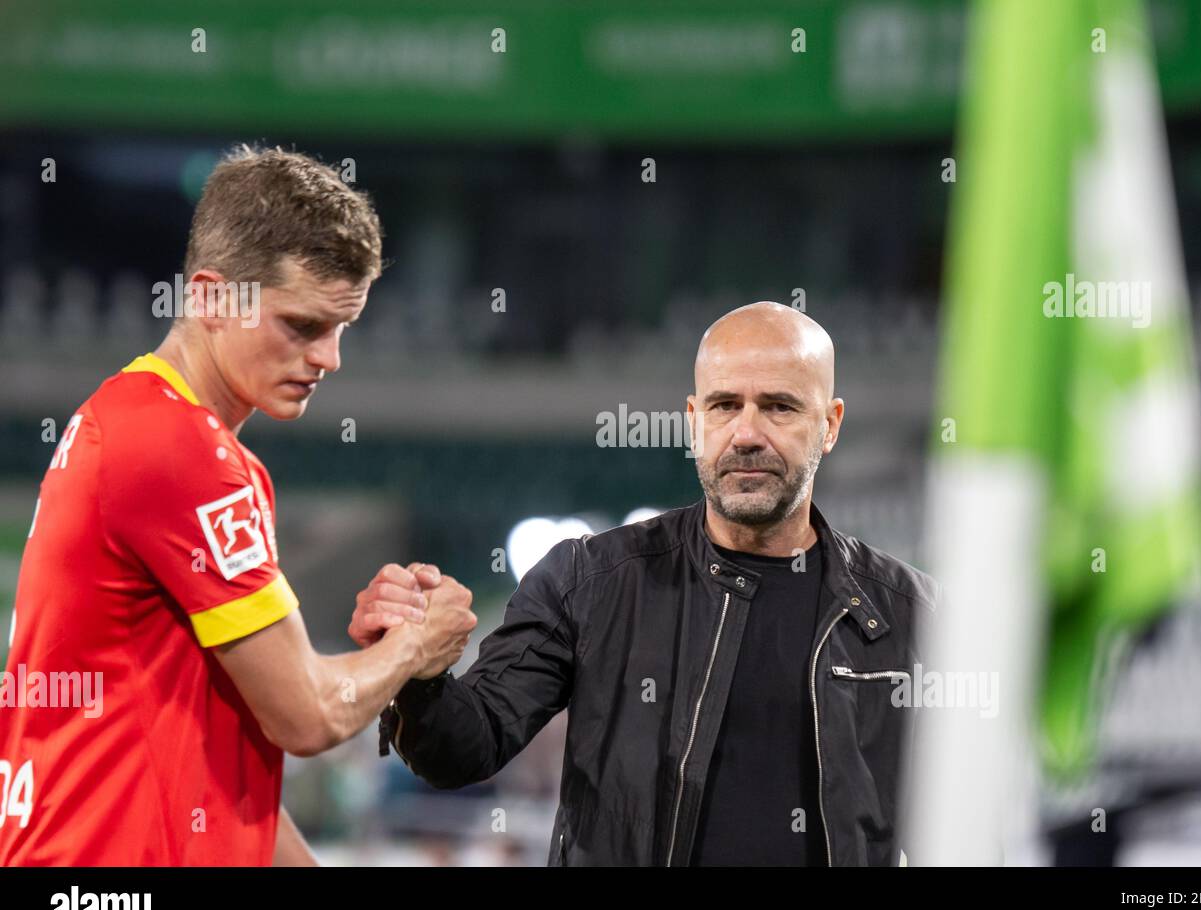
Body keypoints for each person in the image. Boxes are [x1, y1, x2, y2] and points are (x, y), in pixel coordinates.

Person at [0, 146, 475, 866]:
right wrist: (415, 646)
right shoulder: (176, 450)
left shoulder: (151, 428)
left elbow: (221, 774)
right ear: (211, 296)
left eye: (342, 328)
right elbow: (308, 716)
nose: (330, 359)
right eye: (303, 326)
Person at [357, 301, 938, 866]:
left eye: (780, 407)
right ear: (692, 421)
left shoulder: (911, 613)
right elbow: (467, 747)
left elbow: (965, 820)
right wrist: (420, 669)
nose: (746, 433)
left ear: (830, 424)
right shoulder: (589, 581)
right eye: (724, 405)